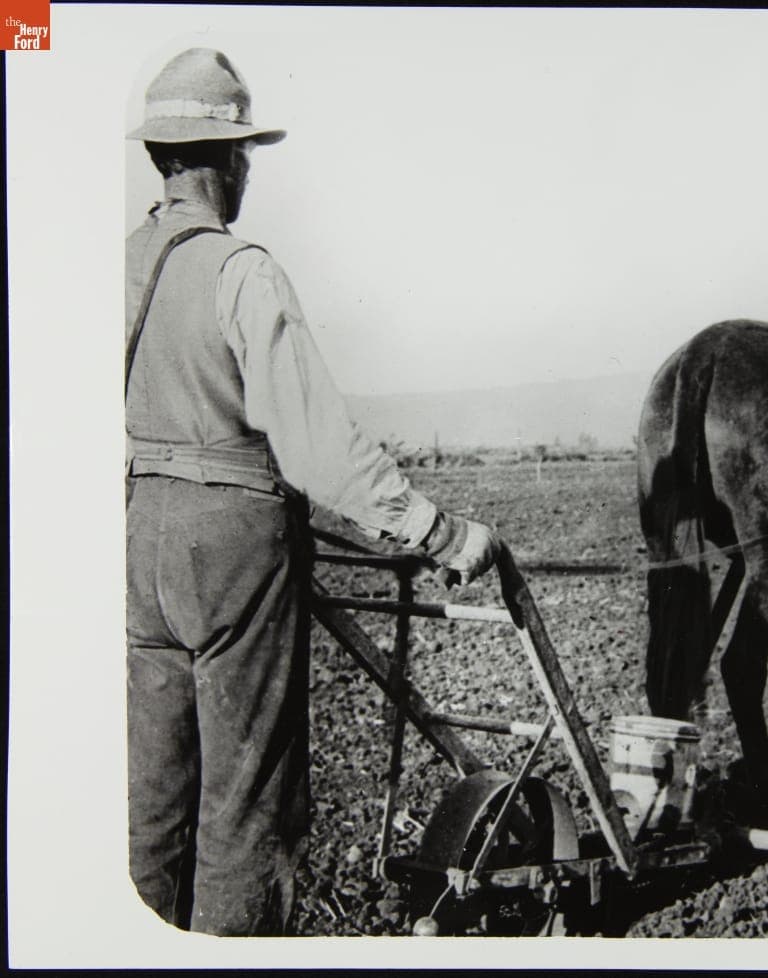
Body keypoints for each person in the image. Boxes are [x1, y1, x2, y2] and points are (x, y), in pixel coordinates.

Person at [124, 47, 500, 936]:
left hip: (137, 542)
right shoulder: (240, 269)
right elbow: (319, 446)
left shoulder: (121, 267)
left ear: (163, 158)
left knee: (151, 795)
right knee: (245, 801)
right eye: (246, 151)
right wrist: (438, 532)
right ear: (229, 161)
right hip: (230, 554)